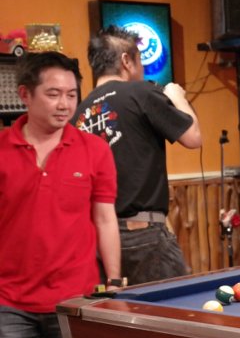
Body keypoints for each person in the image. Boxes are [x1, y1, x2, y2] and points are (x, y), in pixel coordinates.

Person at [0, 51, 121, 338]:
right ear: (25, 94)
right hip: (8, 300)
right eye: (53, 94)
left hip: (76, 296)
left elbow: (105, 219)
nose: (64, 104)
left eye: (71, 95)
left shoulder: (95, 149)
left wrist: (114, 281)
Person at [72, 25, 202, 285]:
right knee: (174, 308)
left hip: (98, 238)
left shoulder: (78, 113)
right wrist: (177, 97)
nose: (142, 68)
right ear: (126, 60)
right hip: (144, 233)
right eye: (140, 60)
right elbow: (194, 138)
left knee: (118, 310)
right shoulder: (141, 92)